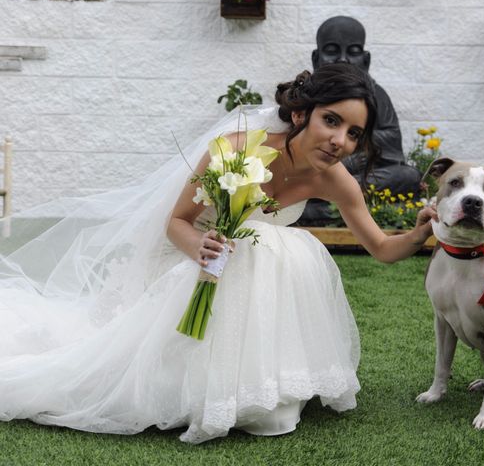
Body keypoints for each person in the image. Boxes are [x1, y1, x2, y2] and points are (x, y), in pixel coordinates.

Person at [0, 63, 434, 444]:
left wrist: (419, 234)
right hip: (187, 263)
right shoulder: (237, 148)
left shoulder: (336, 180)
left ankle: (254, 379)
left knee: (280, 249)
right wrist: (200, 247)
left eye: (353, 133)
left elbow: (381, 247)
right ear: (301, 114)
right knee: (258, 250)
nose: (339, 140)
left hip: (245, 281)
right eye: (331, 121)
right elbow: (177, 222)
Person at [299, 16, 422, 225]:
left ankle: (332, 198)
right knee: (306, 176)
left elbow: (392, 138)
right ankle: (341, 198)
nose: (344, 59)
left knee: (409, 176)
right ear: (316, 58)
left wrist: (361, 147)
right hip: (322, 166)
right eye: (332, 51)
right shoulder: (308, 93)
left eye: (353, 52)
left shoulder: (376, 95)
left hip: (362, 168)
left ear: (366, 60)